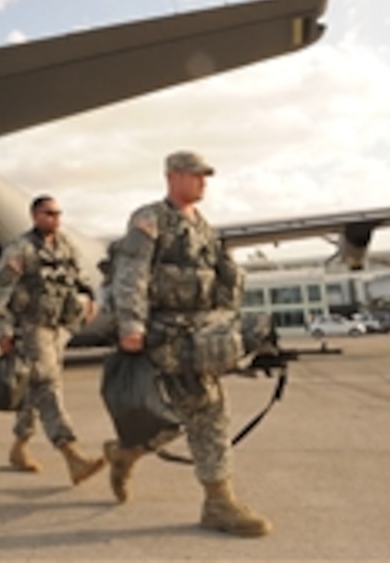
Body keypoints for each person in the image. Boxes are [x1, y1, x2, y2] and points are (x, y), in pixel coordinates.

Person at [105, 151, 273, 537]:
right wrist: (131, 324)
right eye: (196, 175)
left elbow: (217, 278)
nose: (203, 182)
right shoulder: (149, 219)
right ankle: (218, 503)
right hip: (167, 332)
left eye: (205, 176)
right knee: (207, 411)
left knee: (180, 416)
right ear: (173, 176)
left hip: (201, 331)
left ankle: (126, 452)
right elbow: (131, 272)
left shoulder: (203, 227)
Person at [0, 195, 105, 484]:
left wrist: (89, 299)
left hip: (59, 328)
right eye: (48, 213)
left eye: (58, 213)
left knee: (33, 391)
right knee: (49, 387)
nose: (55, 219)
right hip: (30, 328)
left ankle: (18, 448)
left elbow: (82, 278)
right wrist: (3, 332)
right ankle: (72, 455)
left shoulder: (65, 245)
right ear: (34, 216)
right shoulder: (20, 250)